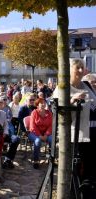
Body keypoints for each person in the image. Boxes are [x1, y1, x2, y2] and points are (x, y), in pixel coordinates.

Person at [54, 58, 96, 198]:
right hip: (76, 135)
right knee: (75, 169)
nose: (80, 70)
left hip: (93, 134)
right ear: (69, 69)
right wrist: (72, 101)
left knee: (91, 169)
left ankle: (87, 193)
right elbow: (59, 114)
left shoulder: (87, 85)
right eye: (77, 67)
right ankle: (73, 195)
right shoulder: (63, 88)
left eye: (82, 67)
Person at [0, 97, 20, 169]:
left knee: (16, 139)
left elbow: (6, 125)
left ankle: (8, 159)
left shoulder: (2, 113)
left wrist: (5, 133)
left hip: (3, 135)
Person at [28, 98, 52, 169]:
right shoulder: (34, 112)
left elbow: (51, 125)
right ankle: (36, 160)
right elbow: (32, 126)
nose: (43, 104)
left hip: (45, 134)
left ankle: (51, 159)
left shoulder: (49, 113)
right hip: (34, 133)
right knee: (37, 141)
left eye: (44, 103)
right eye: (41, 103)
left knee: (52, 140)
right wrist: (39, 135)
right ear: (37, 105)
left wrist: (46, 134)